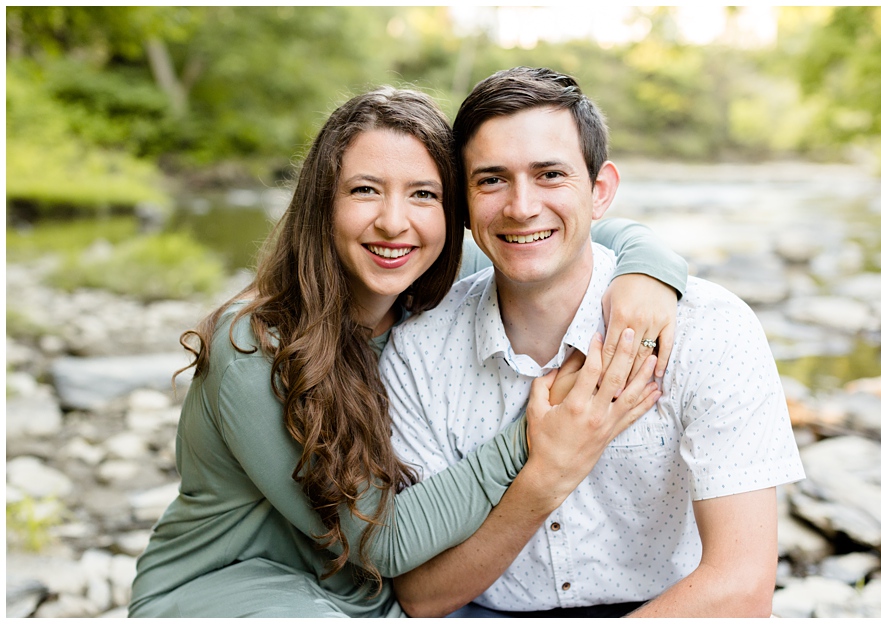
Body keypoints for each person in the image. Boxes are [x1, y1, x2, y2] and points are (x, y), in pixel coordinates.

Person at [128, 87, 688, 617]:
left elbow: (578, 235)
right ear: (323, 204)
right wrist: (544, 436)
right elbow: (386, 539)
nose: (394, 223)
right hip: (232, 587)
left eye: (424, 194)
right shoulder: (254, 348)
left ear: (457, 212)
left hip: (371, 600)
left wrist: (647, 274)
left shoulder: (431, 280)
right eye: (364, 190)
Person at [382, 67, 805, 618]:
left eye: (550, 174)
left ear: (600, 191)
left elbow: (742, 586)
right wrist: (546, 477)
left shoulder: (710, 328)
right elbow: (423, 595)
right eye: (491, 179)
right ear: (463, 202)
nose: (521, 206)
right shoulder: (418, 353)